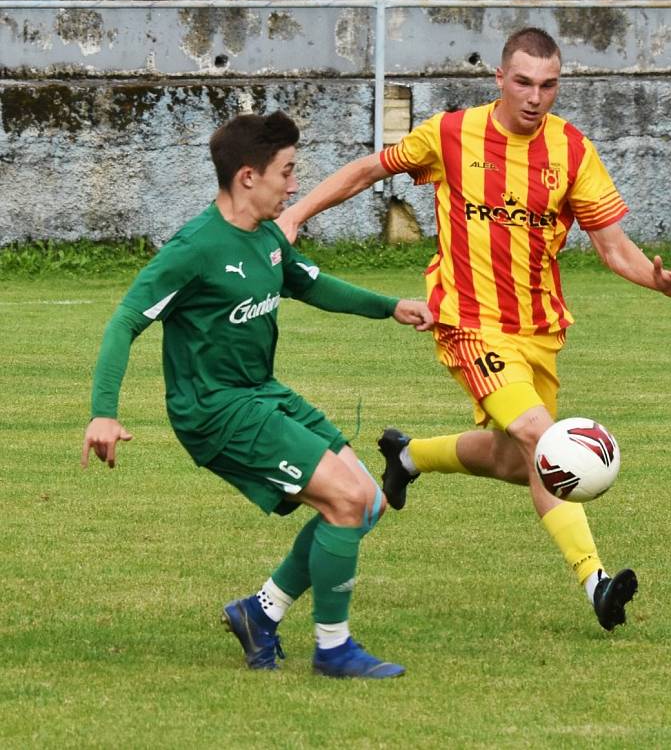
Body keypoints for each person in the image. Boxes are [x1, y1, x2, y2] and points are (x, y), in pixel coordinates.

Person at [275, 27, 671, 632]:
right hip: (468, 323)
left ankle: (409, 455)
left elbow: (613, 248)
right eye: (524, 82)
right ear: (499, 79)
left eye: (548, 85)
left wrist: (656, 281)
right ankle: (596, 584)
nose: (535, 97)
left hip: (538, 329)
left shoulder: (572, 152)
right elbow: (370, 169)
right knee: (544, 440)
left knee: (517, 460)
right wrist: (294, 212)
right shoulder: (451, 135)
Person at [81, 111, 433, 678]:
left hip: (261, 393)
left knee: (367, 501)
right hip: (215, 411)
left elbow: (311, 284)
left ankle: (260, 613)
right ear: (248, 176)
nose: (295, 186)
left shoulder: (268, 236)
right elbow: (125, 319)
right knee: (344, 501)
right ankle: (334, 648)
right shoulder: (195, 248)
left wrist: (391, 306)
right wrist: (103, 413)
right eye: (287, 172)